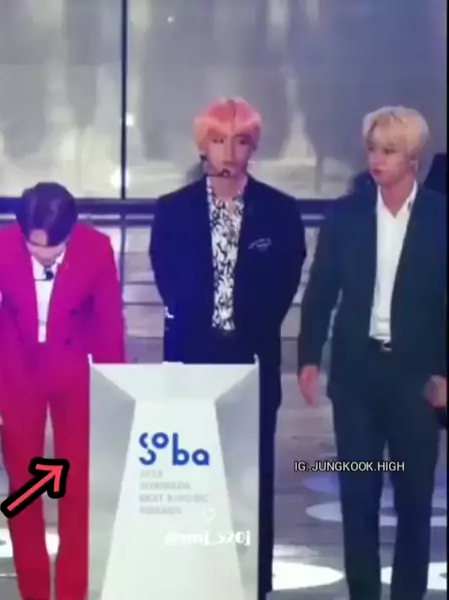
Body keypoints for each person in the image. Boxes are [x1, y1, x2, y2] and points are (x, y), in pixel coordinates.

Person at [149, 97, 306, 599]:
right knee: (193, 483)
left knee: (251, 483)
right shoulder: (172, 211)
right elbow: (169, 282)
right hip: (192, 361)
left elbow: (284, 284)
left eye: (239, 141)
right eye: (218, 141)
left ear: (253, 147)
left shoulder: (279, 212)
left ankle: (252, 584)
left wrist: (244, 331)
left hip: (252, 363)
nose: (229, 152)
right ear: (203, 146)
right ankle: (197, 581)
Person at [298, 106, 446, 600]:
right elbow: (321, 289)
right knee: (358, 496)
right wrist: (309, 356)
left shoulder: (441, 218)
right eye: (372, 150)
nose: (377, 160)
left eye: (389, 151)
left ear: (413, 158)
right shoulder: (346, 216)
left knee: (413, 502)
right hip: (356, 378)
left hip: (416, 381)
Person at [0, 183, 127, 600]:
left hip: (75, 371)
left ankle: (73, 592)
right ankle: (35, 593)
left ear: (70, 232)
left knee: (79, 489)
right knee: (25, 489)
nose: (42, 254)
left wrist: (113, 391)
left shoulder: (96, 249)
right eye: (33, 245)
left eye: (52, 247)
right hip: (16, 372)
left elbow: (110, 324)